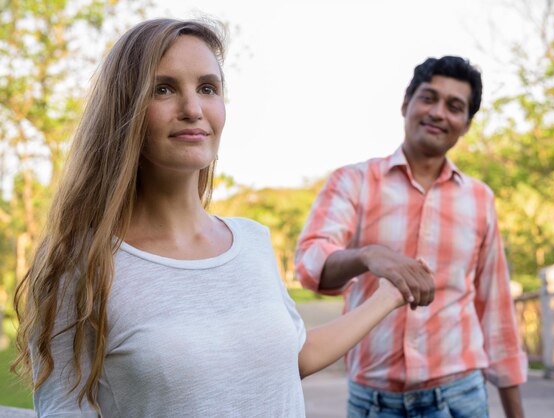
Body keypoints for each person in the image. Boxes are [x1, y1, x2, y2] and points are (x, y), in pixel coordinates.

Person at [12, 18, 409, 417]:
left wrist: (390, 295)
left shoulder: (253, 241)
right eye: (163, 89)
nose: (192, 109)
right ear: (124, 108)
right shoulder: (82, 262)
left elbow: (296, 355)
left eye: (207, 88)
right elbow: (64, 408)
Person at [295, 56, 527, 418]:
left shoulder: (480, 199)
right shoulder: (352, 182)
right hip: (373, 401)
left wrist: (516, 413)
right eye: (428, 98)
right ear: (406, 104)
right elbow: (310, 266)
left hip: (461, 397)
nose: (438, 112)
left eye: (454, 107)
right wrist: (367, 255)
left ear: (465, 125)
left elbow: (495, 307)